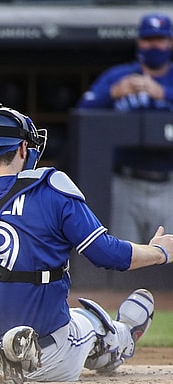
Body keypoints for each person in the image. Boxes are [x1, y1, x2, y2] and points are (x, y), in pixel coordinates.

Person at [0, 103, 169, 384]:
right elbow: (107, 254)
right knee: (88, 320)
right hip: (45, 358)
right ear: (23, 149)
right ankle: (123, 338)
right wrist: (159, 252)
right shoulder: (50, 185)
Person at [77, 12, 173, 244]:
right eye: (148, 39)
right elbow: (82, 111)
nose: (154, 45)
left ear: (170, 43)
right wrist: (112, 93)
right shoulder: (118, 76)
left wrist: (163, 93)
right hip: (126, 180)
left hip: (169, 181)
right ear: (139, 42)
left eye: (160, 39)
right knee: (125, 254)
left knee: (169, 263)